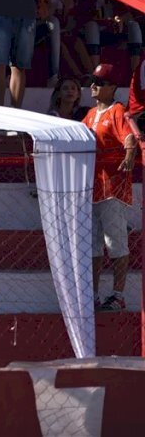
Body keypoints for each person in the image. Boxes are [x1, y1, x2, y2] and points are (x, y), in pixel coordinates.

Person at [82, 64, 137, 312]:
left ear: (113, 87)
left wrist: (129, 155)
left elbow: (129, 136)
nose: (94, 85)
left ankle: (118, 295)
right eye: (93, 81)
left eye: (100, 82)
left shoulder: (117, 110)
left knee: (115, 243)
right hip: (92, 189)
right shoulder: (90, 114)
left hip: (112, 188)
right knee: (93, 244)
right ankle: (92, 295)